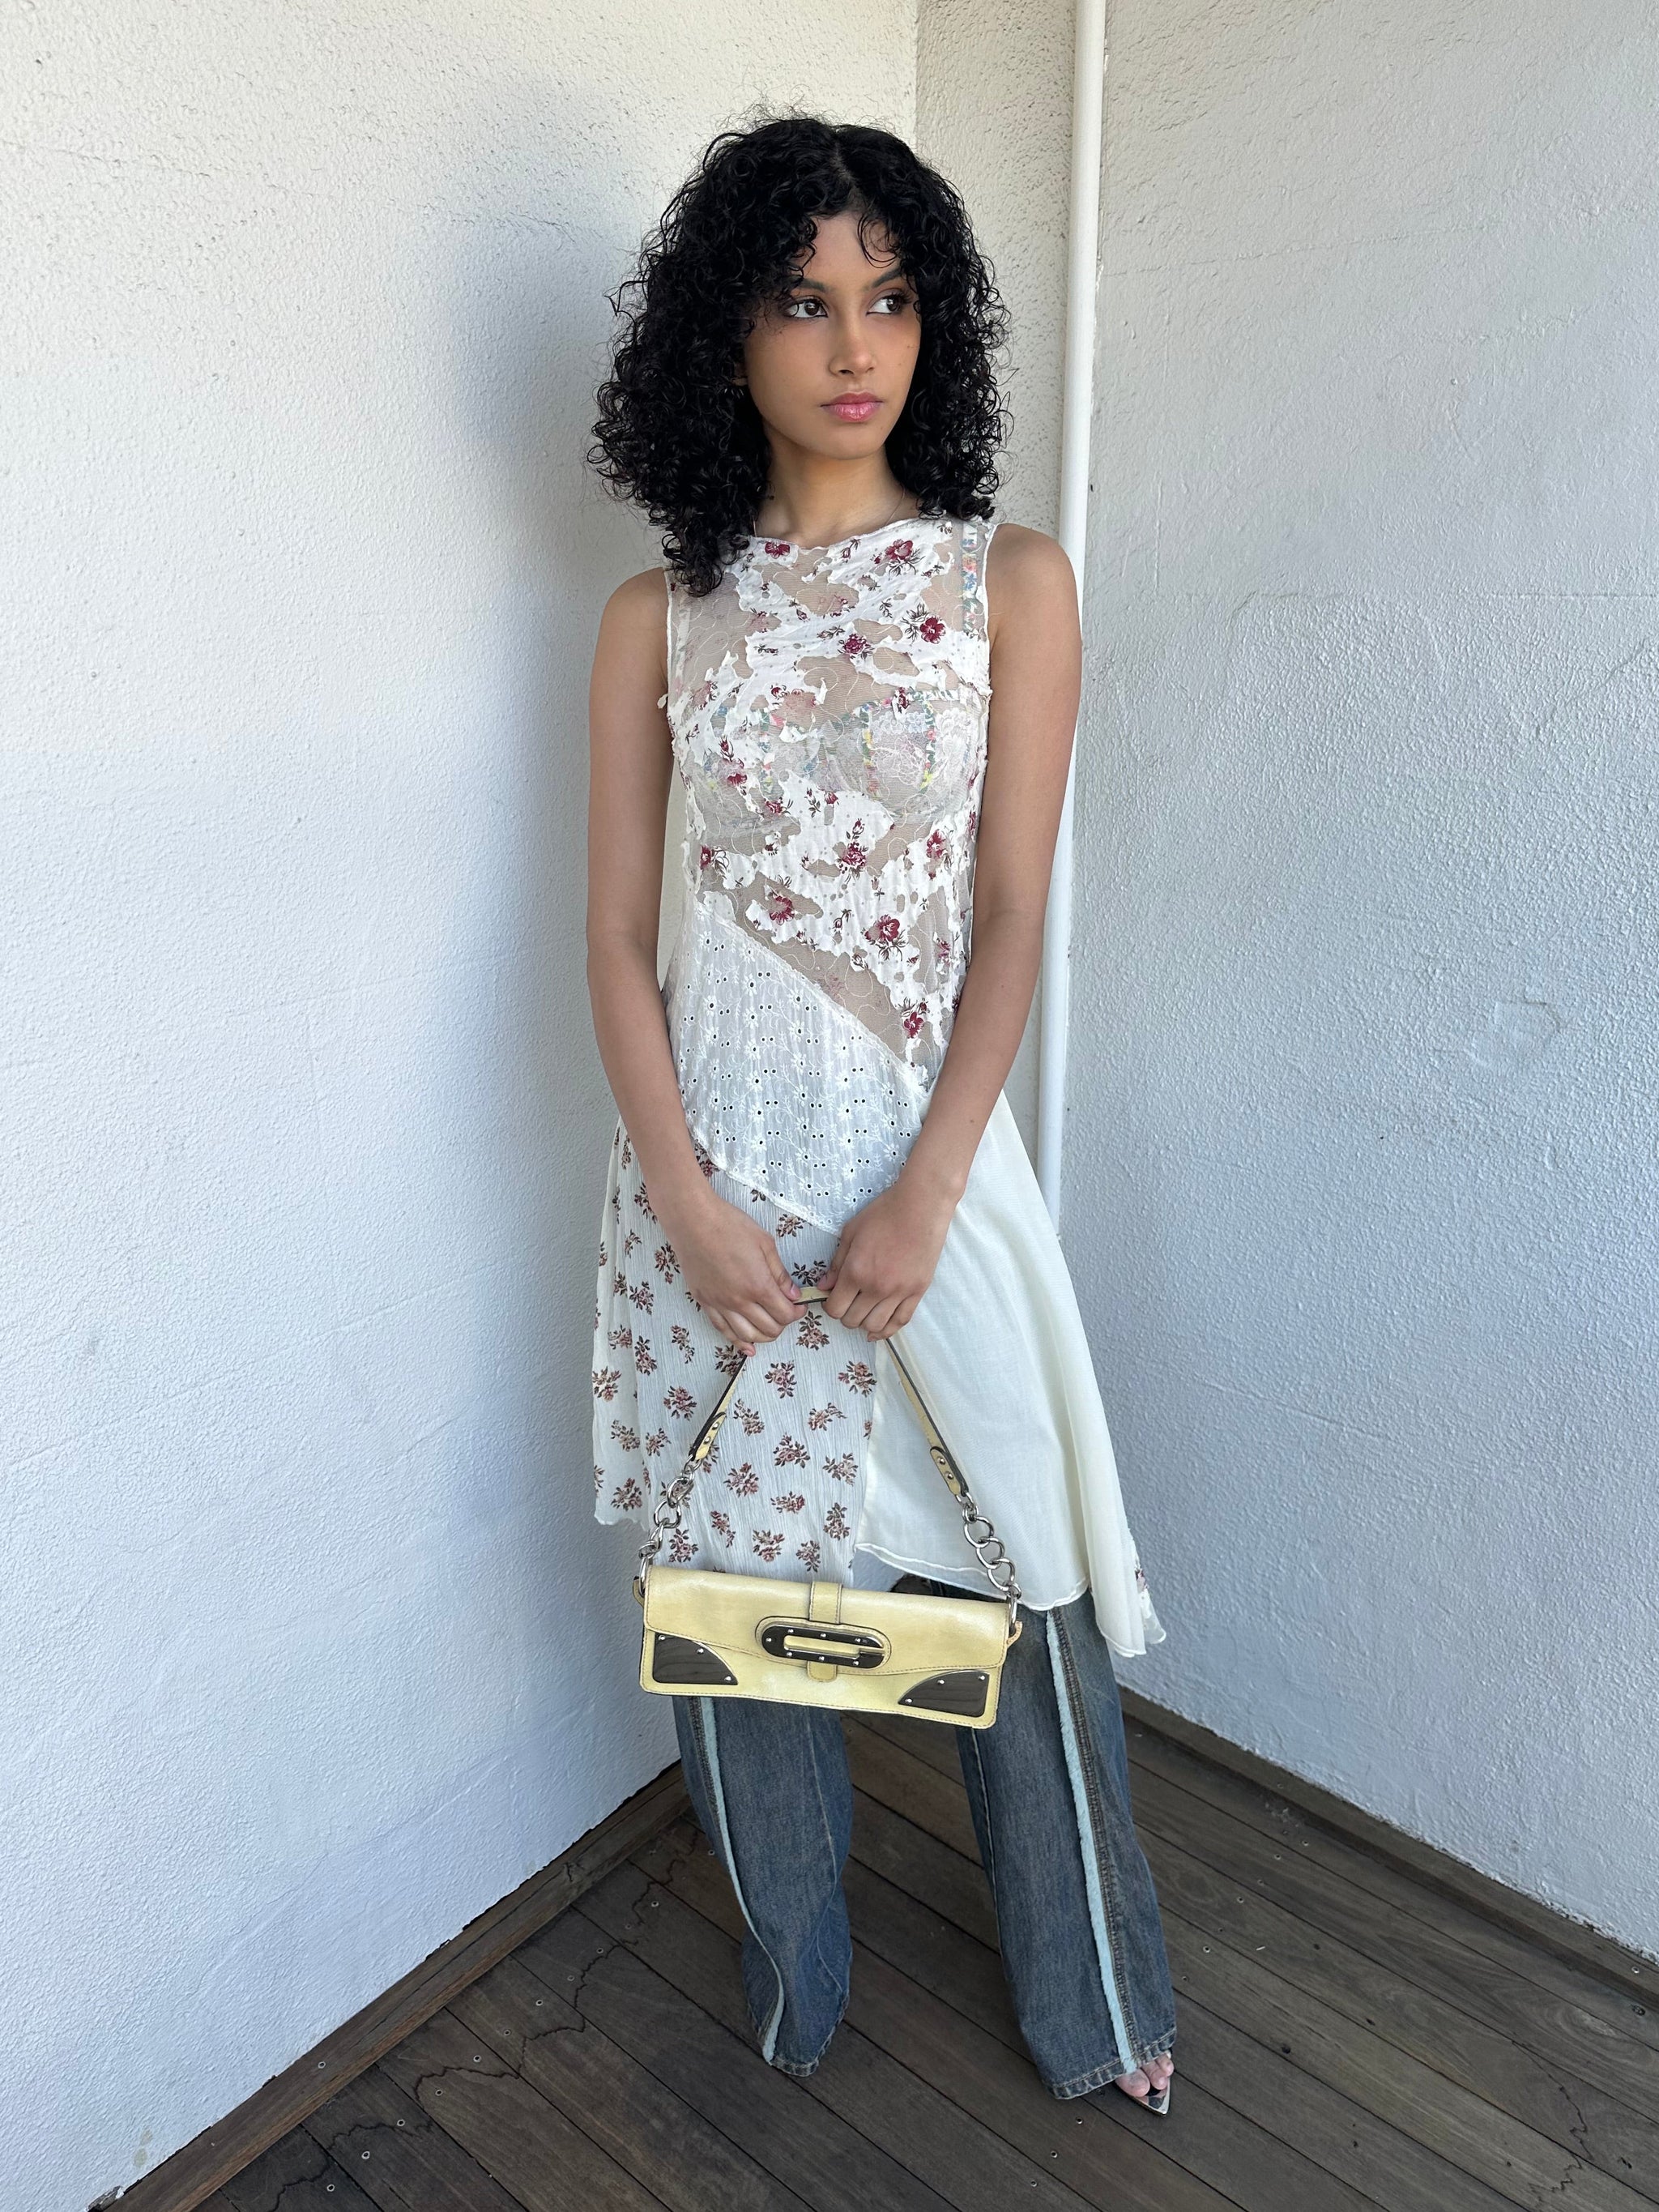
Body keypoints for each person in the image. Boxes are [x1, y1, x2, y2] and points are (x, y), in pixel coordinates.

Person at [584, 113, 1177, 2113]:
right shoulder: (659, 615)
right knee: (739, 1613)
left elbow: (1012, 913)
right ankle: (792, 1983)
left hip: (923, 1174)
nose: (857, 344)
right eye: (802, 298)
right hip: (715, 1186)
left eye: (893, 295)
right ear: (718, 336)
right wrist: (682, 1197)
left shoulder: (1006, 583)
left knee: (1019, 1592)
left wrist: (929, 1195)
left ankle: (1100, 2002)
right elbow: (609, 942)